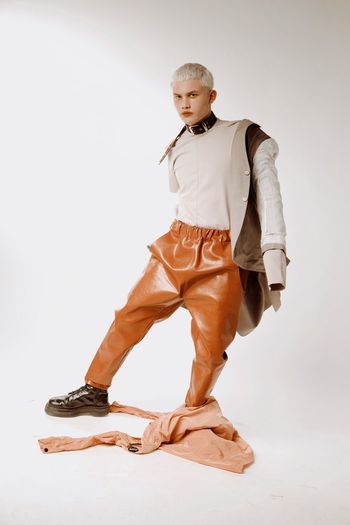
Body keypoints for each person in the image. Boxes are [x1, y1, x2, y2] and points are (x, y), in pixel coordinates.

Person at [45, 62, 290, 418]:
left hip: (222, 257)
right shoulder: (179, 143)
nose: (184, 104)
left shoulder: (246, 136)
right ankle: (94, 389)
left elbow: (270, 197)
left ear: (211, 95)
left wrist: (274, 250)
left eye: (192, 95)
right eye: (177, 96)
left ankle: (191, 415)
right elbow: (185, 194)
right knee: (130, 314)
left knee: (209, 347)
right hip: (177, 246)